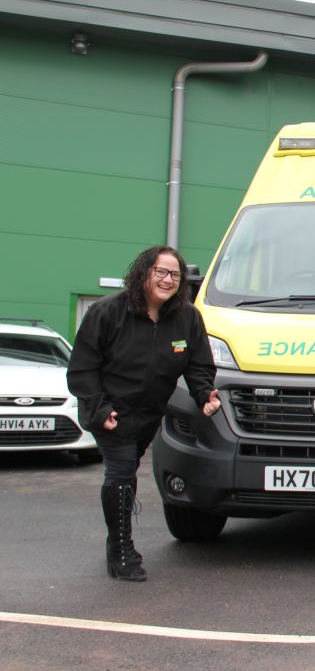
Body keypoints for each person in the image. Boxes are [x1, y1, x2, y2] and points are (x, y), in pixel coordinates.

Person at [68, 245, 220, 581]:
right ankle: (122, 549)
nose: (168, 280)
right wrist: (99, 408)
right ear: (144, 273)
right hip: (112, 413)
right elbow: (82, 369)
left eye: (175, 275)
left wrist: (203, 393)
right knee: (121, 474)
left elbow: (198, 365)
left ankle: (115, 542)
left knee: (128, 470)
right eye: (161, 272)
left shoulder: (186, 317)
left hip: (149, 414)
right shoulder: (108, 313)